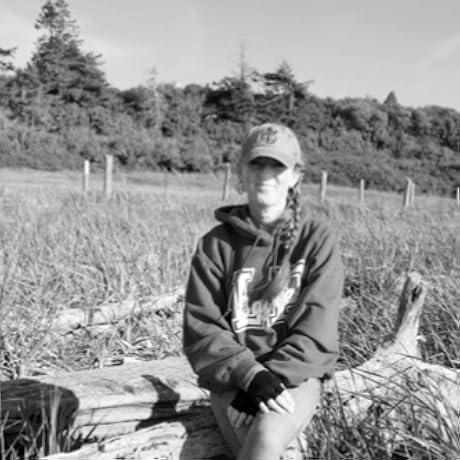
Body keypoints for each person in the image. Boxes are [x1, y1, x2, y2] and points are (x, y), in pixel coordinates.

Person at [183, 122, 344, 460]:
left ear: (295, 176)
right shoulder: (215, 245)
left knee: (267, 435)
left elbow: (318, 329)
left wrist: (272, 377)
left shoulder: (317, 239)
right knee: (252, 443)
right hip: (232, 378)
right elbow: (202, 328)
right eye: (256, 164)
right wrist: (249, 376)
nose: (265, 174)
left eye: (277, 166)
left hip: (295, 375)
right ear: (241, 172)